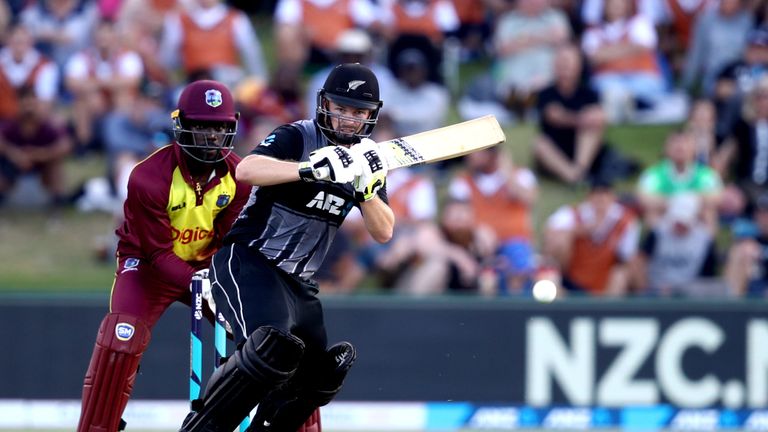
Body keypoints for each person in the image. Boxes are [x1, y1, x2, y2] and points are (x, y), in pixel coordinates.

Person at [178, 63, 395, 431]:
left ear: (370, 117)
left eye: (357, 112)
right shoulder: (298, 137)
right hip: (251, 261)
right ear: (325, 104)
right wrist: (307, 170)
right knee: (272, 350)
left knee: (321, 375)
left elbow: (384, 231)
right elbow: (246, 170)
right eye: (341, 108)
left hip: (301, 285)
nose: (347, 119)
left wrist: (369, 192)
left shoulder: (365, 161)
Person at [76, 79, 252, 432]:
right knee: (120, 339)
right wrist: (199, 283)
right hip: (147, 269)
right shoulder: (148, 177)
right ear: (181, 126)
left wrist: (218, 281)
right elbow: (158, 254)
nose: (212, 137)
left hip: (206, 265)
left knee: (271, 338)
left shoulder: (240, 177)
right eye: (202, 126)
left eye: (219, 128)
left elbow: (232, 242)